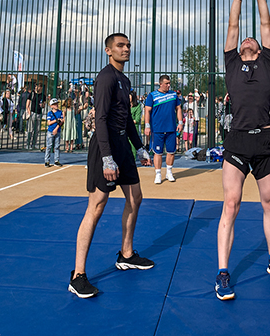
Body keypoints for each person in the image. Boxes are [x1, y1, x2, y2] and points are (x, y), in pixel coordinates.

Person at [215, 0, 270, 301]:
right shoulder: (232, 62)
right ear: (238, 49)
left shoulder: (267, 62)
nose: (249, 38)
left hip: (264, 141)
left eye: (255, 39)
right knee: (231, 204)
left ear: (261, 48)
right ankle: (223, 272)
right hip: (237, 142)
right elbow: (233, 24)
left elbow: (265, 22)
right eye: (243, 40)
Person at [71, 33, 153, 299]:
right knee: (96, 206)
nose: (126, 48)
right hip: (105, 148)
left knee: (136, 198)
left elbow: (126, 119)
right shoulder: (106, 77)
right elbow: (102, 119)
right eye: (120, 45)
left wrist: (139, 147)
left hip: (122, 147)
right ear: (108, 50)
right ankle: (78, 275)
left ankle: (126, 254)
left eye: (128, 45)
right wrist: (107, 158)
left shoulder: (124, 80)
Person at [144, 75, 183, 184]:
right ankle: (158, 173)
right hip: (157, 129)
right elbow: (147, 111)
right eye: (166, 83)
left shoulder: (174, 95)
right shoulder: (152, 96)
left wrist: (180, 122)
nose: (168, 85)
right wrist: (147, 126)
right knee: (158, 152)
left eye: (169, 83)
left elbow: (178, 108)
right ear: (160, 84)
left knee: (171, 151)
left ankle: (169, 172)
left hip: (171, 128)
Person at [45, 98, 63, 167]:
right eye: (55, 104)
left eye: (57, 104)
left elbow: (61, 121)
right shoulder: (50, 113)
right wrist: (56, 120)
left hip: (57, 131)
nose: (56, 105)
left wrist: (56, 128)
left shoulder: (60, 112)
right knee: (49, 146)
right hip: (50, 131)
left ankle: (56, 160)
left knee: (57, 146)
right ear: (51, 106)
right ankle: (47, 161)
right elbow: (49, 123)